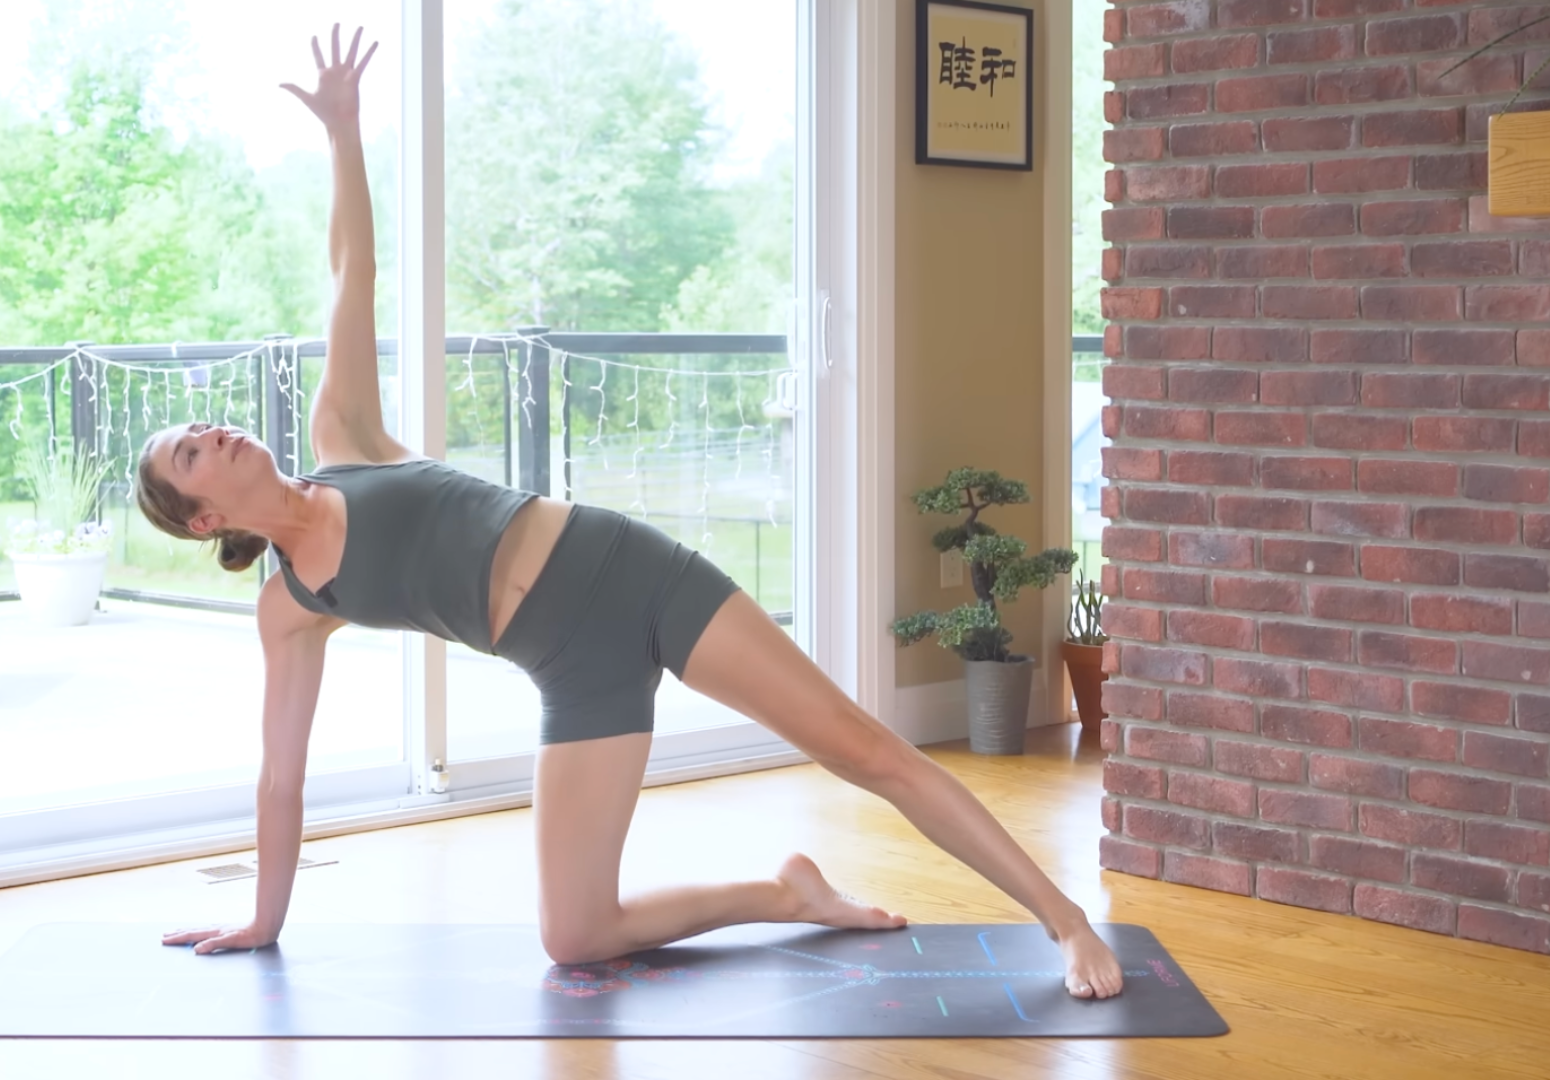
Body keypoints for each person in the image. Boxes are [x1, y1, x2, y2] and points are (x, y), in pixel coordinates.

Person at [142, 25, 1123, 1000]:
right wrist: (265, 919)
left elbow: (350, 270)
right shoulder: (292, 607)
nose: (214, 433)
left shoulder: (343, 438)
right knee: (574, 934)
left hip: (632, 575)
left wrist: (345, 135)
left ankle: (1065, 921)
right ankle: (782, 894)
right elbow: (281, 777)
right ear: (199, 521)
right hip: (571, 669)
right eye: (192, 453)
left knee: (860, 748)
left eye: (201, 425)